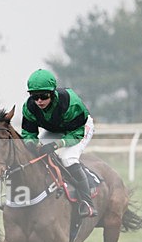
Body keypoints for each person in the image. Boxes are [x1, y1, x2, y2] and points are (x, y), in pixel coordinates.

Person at [20, 68, 97, 217]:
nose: (39, 101)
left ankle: (88, 203)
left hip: (79, 128)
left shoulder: (70, 103)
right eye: (35, 97)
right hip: (55, 128)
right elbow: (28, 133)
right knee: (32, 156)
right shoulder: (29, 107)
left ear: (52, 92)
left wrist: (57, 144)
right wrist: (32, 144)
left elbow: (77, 133)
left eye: (43, 96)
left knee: (67, 158)